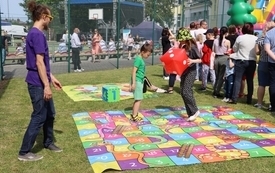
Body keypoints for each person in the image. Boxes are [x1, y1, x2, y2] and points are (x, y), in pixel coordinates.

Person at [18, 0, 63, 162]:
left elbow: (43, 64)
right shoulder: (37, 35)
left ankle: (48, 142)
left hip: (41, 80)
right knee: (39, 116)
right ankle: (24, 152)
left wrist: (53, 78)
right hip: (37, 84)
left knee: (50, 114)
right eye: (50, 17)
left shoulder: (35, 34)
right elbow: (38, 63)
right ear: (44, 17)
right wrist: (46, 86)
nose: (50, 20)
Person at [176, 28, 202, 121]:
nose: (180, 40)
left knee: (186, 91)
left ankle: (195, 111)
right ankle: (190, 112)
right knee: (183, 92)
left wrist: (192, 60)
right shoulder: (183, 47)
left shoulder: (193, 47)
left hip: (191, 71)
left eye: (181, 39)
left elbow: (200, 59)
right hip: (184, 71)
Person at [230, 23, 258, 104]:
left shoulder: (240, 38)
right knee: (250, 80)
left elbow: (235, 49)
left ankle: (234, 98)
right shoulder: (256, 38)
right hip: (251, 61)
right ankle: (249, 99)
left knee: (238, 79)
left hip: (241, 60)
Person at [129, 43, 153, 122]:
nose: (148, 56)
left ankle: (134, 114)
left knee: (137, 99)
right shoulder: (138, 59)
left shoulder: (140, 59)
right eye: (147, 55)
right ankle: (135, 116)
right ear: (142, 52)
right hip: (137, 81)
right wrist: (133, 83)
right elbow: (133, 71)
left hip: (140, 81)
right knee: (138, 99)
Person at [254, 23, 273, 109]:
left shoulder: (260, 38)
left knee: (262, 84)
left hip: (262, 62)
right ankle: (271, 103)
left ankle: (259, 103)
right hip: (272, 62)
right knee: (272, 84)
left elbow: (257, 51)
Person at [212, 26, 231, 98]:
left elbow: (213, 50)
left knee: (217, 76)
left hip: (216, 58)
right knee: (221, 77)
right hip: (224, 58)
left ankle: (215, 90)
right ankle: (217, 91)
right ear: (226, 33)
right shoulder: (227, 41)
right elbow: (229, 51)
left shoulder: (215, 40)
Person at [264, 21, 275, 113]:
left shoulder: (269, 34)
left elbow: (267, 49)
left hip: (272, 61)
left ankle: (273, 105)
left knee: (273, 83)